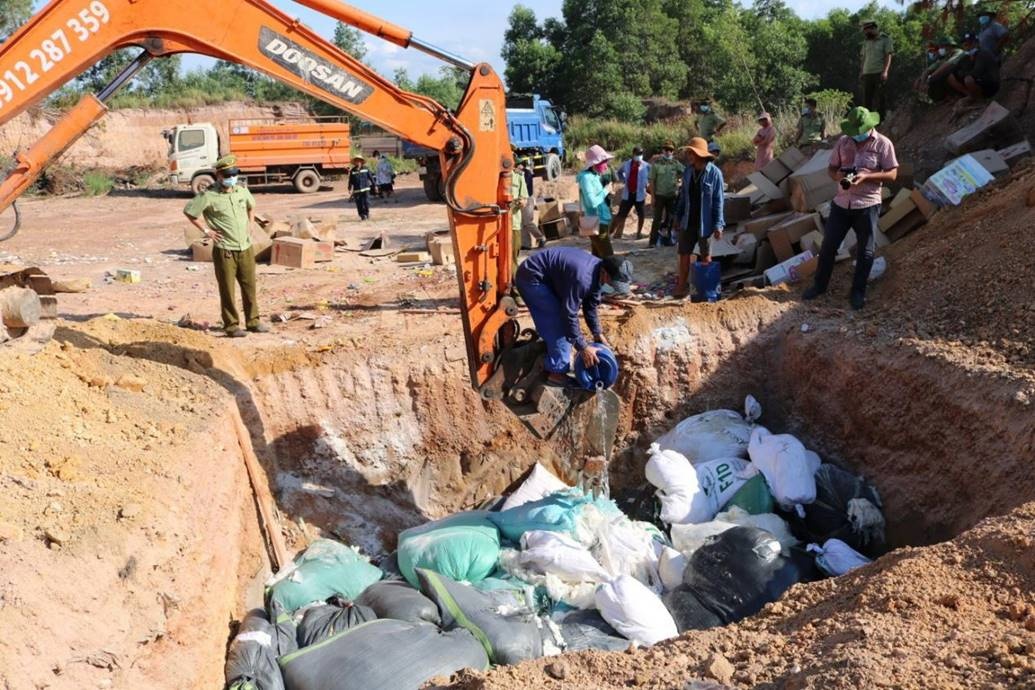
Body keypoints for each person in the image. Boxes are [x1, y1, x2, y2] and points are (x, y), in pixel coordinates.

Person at [803, 107, 898, 311]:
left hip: (867, 204)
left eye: (860, 131)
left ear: (870, 126)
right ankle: (819, 286)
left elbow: (892, 174)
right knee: (828, 246)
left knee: (865, 251)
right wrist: (838, 176)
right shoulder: (844, 142)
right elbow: (831, 168)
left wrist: (866, 177)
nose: (857, 135)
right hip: (841, 203)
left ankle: (858, 292)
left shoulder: (883, 144)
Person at [514, 246, 633, 387]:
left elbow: (591, 306)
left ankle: (552, 353)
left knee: (565, 326)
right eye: (612, 283)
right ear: (604, 273)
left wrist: (597, 333)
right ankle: (556, 374)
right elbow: (568, 314)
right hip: (532, 278)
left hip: (551, 278)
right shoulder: (583, 278)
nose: (611, 287)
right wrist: (583, 347)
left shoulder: (598, 275)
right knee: (558, 324)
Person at [183, 155, 269, 337]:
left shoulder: (241, 191)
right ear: (219, 175)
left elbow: (251, 207)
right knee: (228, 289)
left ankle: (253, 322)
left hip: (245, 247)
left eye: (234, 174)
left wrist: (250, 225)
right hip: (225, 250)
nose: (232, 178)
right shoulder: (209, 195)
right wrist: (207, 231)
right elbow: (190, 212)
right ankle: (231, 325)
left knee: (250, 287)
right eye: (228, 175)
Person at [673, 137, 725, 299]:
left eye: (691, 152)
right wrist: (677, 217)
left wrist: (718, 225)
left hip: (706, 223)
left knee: (705, 255)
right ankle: (682, 287)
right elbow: (683, 197)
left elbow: (718, 201)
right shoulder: (688, 171)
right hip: (688, 220)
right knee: (684, 253)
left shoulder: (715, 174)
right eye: (688, 152)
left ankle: (706, 289)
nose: (688, 155)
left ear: (699, 154)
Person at [577, 144, 616, 258]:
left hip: (601, 221)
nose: (605, 164)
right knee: (609, 257)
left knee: (597, 257)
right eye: (603, 161)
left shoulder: (594, 176)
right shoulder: (586, 178)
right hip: (596, 223)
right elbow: (592, 202)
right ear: (595, 163)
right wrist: (606, 190)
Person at [647, 141, 683, 248]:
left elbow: (686, 172)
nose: (668, 152)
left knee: (670, 219)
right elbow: (652, 181)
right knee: (657, 219)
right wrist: (652, 197)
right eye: (666, 149)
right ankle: (652, 242)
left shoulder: (676, 164)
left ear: (673, 152)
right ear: (663, 150)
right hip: (659, 196)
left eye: (671, 150)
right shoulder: (657, 163)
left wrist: (680, 182)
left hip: (672, 196)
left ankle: (668, 240)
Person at [947, 32, 1001, 100]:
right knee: (951, 77)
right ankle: (971, 96)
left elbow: (976, 72)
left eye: (970, 43)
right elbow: (955, 70)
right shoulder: (965, 58)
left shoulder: (982, 54)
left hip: (991, 83)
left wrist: (963, 74)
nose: (967, 46)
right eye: (965, 44)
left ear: (976, 43)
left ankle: (979, 100)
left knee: (968, 79)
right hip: (978, 82)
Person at [613, 146, 650, 239]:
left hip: (640, 194)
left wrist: (648, 184)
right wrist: (623, 180)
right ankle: (615, 232)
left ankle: (639, 233)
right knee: (621, 214)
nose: (639, 156)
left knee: (641, 215)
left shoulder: (646, 166)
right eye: (637, 154)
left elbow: (652, 176)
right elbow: (619, 172)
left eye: (641, 154)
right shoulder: (627, 164)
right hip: (628, 193)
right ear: (633, 154)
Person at [860, 20, 894, 118]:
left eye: (867, 31)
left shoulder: (885, 39)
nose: (866, 34)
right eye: (865, 32)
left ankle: (881, 120)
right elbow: (863, 58)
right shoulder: (866, 42)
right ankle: (867, 122)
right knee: (867, 100)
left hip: (879, 73)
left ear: (874, 29)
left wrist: (885, 71)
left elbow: (888, 56)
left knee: (880, 99)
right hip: (867, 73)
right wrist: (861, 71)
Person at [921, 37, 965, 102]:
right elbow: (928, 70)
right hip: (958, 77)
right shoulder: (946, 56)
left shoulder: (959, 52)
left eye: (942, 47)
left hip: (965, 74)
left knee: (947, 76)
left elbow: (947, 65)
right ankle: (950, 98)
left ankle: (969, 94)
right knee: (938, 78)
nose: (940, 49)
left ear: (949, 46)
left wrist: (930, 78)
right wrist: (923, 83)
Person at [518, 158, 546, 250]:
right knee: (522, 223)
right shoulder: (521, 173)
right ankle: (526, 244)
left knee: (528, 222)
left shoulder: (526, 173)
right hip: (522, 200)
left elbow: (523, 186)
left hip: (527, 199)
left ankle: (541, 238)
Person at [509, 161, 529, 275]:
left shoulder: (518, 176)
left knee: (513, 254)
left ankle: (513, 284)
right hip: (497, 223)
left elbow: (524, 199)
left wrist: (520, 202)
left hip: (514, 223)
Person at [348, 155, 375, 220]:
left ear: (361, 162)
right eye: (356, 161)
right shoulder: (353, 171)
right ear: (355, 162)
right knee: (359, 203)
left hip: (366, 189)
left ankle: (367, 213)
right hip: (357, 190)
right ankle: (362, 215)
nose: (358, 162)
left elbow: (371, 178)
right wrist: (349, 188)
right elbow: (350, 180)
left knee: (366, 202)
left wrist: (375, 186)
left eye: (359, 161)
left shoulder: (366, 169)